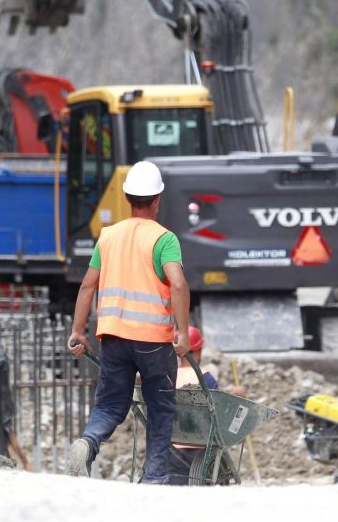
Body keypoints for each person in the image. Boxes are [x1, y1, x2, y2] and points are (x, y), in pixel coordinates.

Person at [67, 160, 190, 484]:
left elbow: (87, 286)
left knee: (109, 405)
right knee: (161, 409)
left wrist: (78, 331)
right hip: (154, 341)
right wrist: (182, 331)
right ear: (157, 198)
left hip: (114, 338)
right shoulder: (164, 239)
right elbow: (177, 283)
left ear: (126, 196)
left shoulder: (108, 236)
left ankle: (88, 441)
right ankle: (153, 478)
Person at [168, 325, 245, 485]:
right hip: (202, 447)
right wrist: (236, 396)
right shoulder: (205, 378)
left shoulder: (169, 377)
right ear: (199, 350)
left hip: (172, 448)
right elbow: (218, 409)